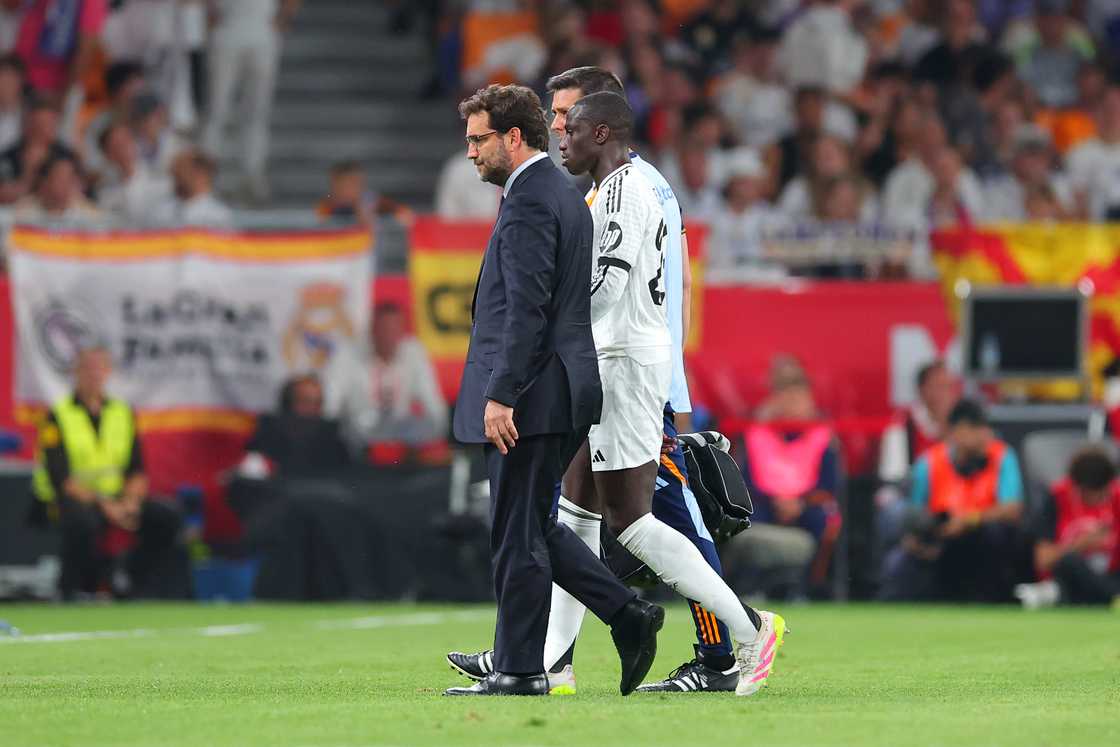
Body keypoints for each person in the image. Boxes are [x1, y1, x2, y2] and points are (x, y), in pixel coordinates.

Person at [555, 91, 778, 697]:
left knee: (635, 521)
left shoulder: (626, 191)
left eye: (568, 126)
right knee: (575, 511)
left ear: (601, 131)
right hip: (621, 360)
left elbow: (608, 286)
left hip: (626, 363)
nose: (560, 137)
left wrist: (553, 334)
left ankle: (745, 629)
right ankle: (549, 664)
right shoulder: (627, 188)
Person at [444, 83, 663, 697]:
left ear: (513, 137)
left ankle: (518, 670)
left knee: (516, 533)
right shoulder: (560, 193)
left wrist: (501, 393)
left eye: (478, 140)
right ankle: (627, 614)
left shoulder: (530, 202)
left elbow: (527, 311)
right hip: (561, 386)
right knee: (535, 525)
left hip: (533, 393)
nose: (470, 154)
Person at [30, 347, 189, 599]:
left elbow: (137, 468)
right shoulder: (57, 415)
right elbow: (61, 478)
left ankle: (135, 582)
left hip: (116, 496)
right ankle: (77, 588)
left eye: (99, 368)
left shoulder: (121, 412)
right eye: (87, 368)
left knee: (166, 517)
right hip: (71, 498)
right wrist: (108, 506)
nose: (93, 375)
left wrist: (130, 502)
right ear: (76, 372)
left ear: (108, 372)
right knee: (83, 522)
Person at [880, 399, 1028, 602]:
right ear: (957, 432)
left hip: (981, 540)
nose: (986, 435)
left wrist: (969, 520)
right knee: (899, 562)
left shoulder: (1001, 456)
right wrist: (918, 540)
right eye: (977, 428)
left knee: (995, 533)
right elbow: (916, 513)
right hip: (941, 543)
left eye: (986, 428)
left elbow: (1012, 509)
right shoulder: (929, 463)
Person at [202, 0, 301, 203]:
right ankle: (205, 177)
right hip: (229, 26)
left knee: (257, 113)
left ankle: (252, 176)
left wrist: (283, 18)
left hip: (261, 28)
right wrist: (209, 15)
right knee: (217, 111)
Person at [1016, 447, 1120, 608]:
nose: (1101, 499)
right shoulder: (1056, 498)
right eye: (1095, 495)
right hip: (1073, 576)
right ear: (1078, 488)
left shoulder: (1116, 496)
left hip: (1111, 575)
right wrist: (1079, 545)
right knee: (1070, 562)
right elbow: (1043, 560)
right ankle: (1112, 598)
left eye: (1105, 492)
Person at [877, 360, 959, 560]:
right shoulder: (902, 426)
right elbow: (892, 482)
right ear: (922, 390)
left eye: (950, 387)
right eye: (939, 387)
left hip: (954, 501)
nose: (945, 395)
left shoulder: (962, 429)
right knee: (894, 512)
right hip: (912, 500)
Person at [338, 302, 448, 449]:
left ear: (402, 332)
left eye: (394, 330)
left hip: (402, 441)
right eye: (384, 329)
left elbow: (435, 408)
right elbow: (332, 406)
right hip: (359, 441)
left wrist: (428, 435)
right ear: (372, 330)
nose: (389, 336)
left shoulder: (414, 353)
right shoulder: (348, 354)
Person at [13, 149, 101, 222]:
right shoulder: (23, 213)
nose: (66, 185)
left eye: (70, 179)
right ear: (44, 182)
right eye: (60, 178)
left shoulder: (89, 214)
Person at [156, 149, 232, 228]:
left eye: (182, 171)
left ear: (201, 174)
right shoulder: (161, 212)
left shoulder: (218, 216)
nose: (176, 177)